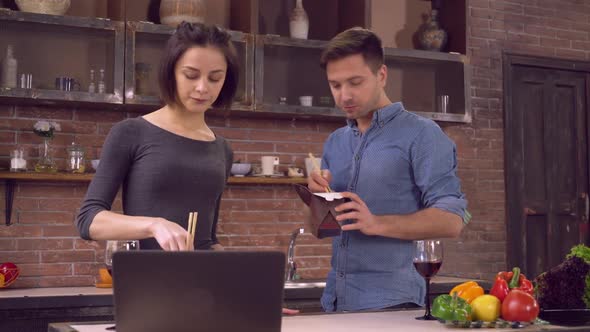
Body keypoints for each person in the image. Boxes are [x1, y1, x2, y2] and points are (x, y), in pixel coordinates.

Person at [307, 27, 469, 312]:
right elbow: (320, 230)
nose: (344, 96)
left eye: (355, 82)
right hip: (335, 302)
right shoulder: (336, 142)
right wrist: (315, 201)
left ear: (381, 75)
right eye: (335, 85)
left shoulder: (422, 134)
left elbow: (453, 219)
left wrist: (376, 223)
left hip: (394, 303)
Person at [76, 22, 239, 251]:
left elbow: (209, 237)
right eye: (191, 75)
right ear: (170, 72)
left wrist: (228, 260)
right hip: (147, 280)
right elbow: (88, 220)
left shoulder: (222, 149)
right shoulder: (131, 132)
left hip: (204, 280)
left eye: (214, 78)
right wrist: (154, 225)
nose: (203, 87)